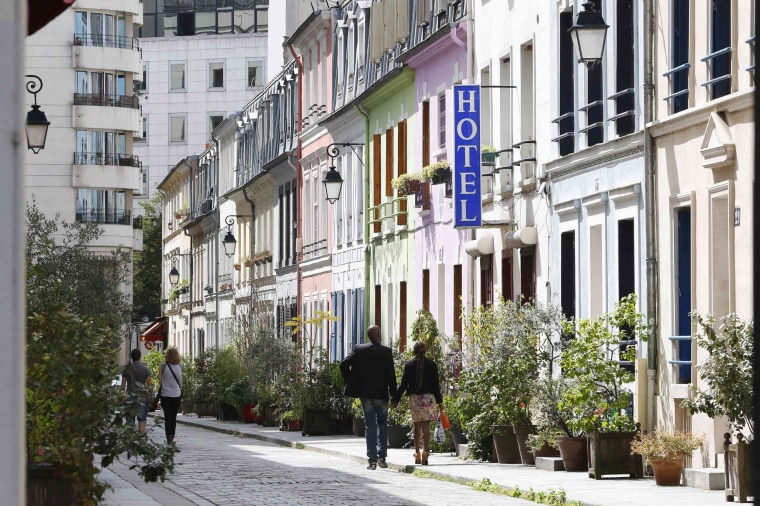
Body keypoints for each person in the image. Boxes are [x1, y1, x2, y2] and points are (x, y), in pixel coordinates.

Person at [340, 325, 397, 470]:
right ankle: (382, 457)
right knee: (382, 425)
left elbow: (343, 365)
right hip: (381, 394)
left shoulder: (359, 349)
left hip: (365, 394)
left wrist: (351, 381)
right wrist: (395, 396)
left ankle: (372, 460)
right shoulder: (386, 352)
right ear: (378, 335)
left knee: (369, 425)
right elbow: (391, 376)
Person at [391, 341, 442, 465]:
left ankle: (417, 453)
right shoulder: (432, 365)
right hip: (428, 398)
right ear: (425, 351)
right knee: (426, 426)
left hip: (414, 398)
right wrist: (440, 401)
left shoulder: (409, 364)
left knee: (416, 426)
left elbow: (404, 384)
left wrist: (396, 399)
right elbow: (436, 385)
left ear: (414, 351)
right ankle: (425, 453)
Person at [121, 348, 153, 432]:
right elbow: (149, 385)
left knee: (129, 419)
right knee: (142, 418)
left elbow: (123, 385)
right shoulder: (145, 369)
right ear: (140, 356)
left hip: (129, 396)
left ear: (131, 357)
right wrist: (151, 397)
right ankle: (140, 436)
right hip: (142, 397)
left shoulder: (126, 369)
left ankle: (130, 438)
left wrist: (121, 396)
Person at [157, 347, 183, 444]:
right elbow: (180, 381)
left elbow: (159, 380)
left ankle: (169, 439)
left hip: (165, 395)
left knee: (168, 418)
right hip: (176, 394)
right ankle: (172, 438)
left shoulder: (162, 366)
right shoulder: (181, 366)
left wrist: (164, 384)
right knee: (174, 418)